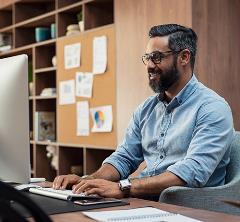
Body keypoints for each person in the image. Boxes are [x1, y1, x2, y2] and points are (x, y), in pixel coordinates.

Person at [52, 24, 234, 200]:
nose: (149, 65)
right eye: (147, 57)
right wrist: (87, 181)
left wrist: (124, 187)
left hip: (189, 208)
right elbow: (124, 157)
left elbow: (193, 172)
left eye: (156, 57)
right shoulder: (146, 109)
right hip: (144, 201)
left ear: (184, 57)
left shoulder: (212, 108)